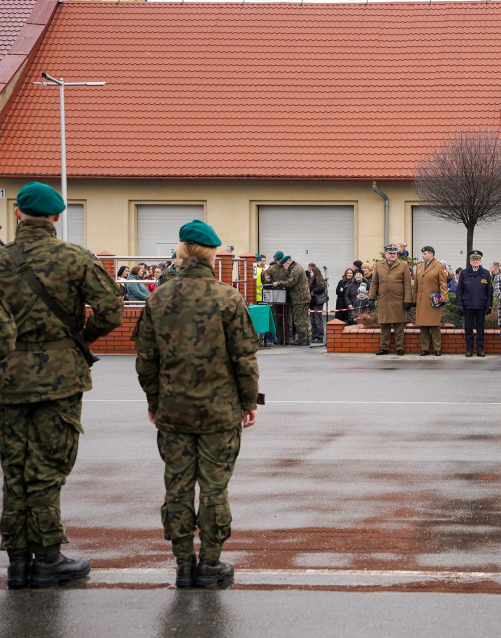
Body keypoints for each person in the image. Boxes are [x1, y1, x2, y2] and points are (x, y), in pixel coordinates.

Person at [0, 182, 122, 589]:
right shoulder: (74, 258)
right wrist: (80, 339)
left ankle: (18, 562)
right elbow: (111, 310)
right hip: (60, 377)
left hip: (8, 377)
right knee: (48, 468)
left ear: (18, 214)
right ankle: (48, 558)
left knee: (14, 469)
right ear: (56, 217)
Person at [133, 220, 258, 589]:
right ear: (211, 255)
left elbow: (145, 358)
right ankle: (211, 563)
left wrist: (153, 401)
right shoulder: (228, 298)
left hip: (173, 410)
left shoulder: (158, 297)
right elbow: (245, 358)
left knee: (177, 486)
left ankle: (184, 563)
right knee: (215, 488)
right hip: (220, 411)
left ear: (181, 252)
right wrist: (249, 401)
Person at [369, 244, 413, 355]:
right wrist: (371, 298)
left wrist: (408, 300)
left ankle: (400, 348)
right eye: (391, 253)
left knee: (399, 327)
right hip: (384, 300)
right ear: (386, 254)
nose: (393, 255)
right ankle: (384, 348)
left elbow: (407, 284)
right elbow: (374, 283)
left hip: (398, 300)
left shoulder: (403, 265)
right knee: (384, 326)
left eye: (395, 253)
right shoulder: (379, 265)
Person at [456, 251, 493, 357]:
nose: (475, 261)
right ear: (470, 261)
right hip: (468, 305)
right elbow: (459, 291)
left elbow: (489, 291)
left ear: (480, 261)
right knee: (468, 329)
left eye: (477, 260)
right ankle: (469, 350)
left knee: (480, 329)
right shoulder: (464, 273)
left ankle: (480, 350)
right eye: (473, 260)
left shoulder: (485, 273)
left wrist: (489, 305)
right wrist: (460, 304)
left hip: (481, 305)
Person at [413, 245, 448, 356]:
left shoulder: (439, 266)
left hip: (433, 300)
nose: (423, 256)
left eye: (425, 253)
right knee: (423, 326)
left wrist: (444, 298)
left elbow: (443, 284)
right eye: (422, 253)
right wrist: (414, 299)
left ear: (431, 254)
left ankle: (437, 349)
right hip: (422, 300)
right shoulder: (419, 266)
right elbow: (416, 286)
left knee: (434, 325)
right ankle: (425, 349)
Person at [272, 255, 311, 345]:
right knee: (304, 320)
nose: (284, 268)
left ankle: (302, 340)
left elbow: (291, 282)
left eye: (285, 266)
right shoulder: (297, 267)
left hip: (299, 299)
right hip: (302, 298)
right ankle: (306, 339)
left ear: (288, 263)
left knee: (299, 320)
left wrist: (278, 283)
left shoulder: (295, 270)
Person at [307, 264, 328, 343]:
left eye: (311, 272)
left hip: (317, 302)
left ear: (315, 272)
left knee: (318, 320)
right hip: (312, 302)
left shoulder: (319, 280)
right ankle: (314, 335)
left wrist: (314, 291)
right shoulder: (310, 279)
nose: (310, 273)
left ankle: (320, 336)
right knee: (312, 320)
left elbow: (322, 288)